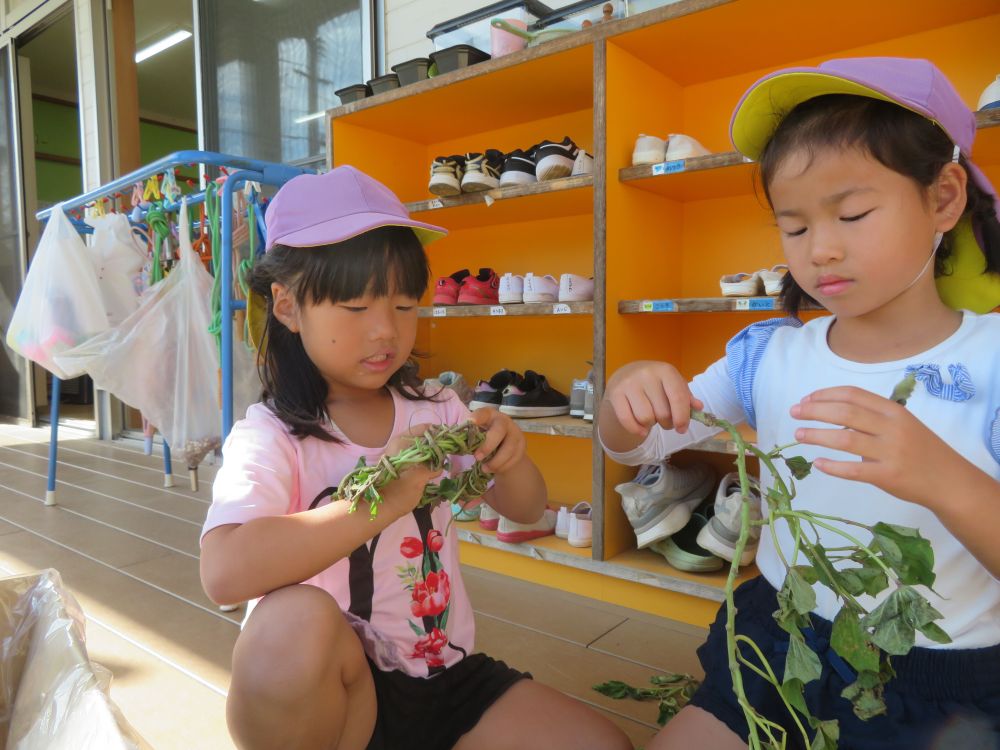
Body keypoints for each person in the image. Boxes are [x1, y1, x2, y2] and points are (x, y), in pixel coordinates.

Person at [599, 57, 1000, 750]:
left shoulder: (989, 360)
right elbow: (640, 447)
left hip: (940, 686)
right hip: (785, 643)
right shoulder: (771, 355)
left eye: (853, 213)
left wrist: (944, 481)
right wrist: (626, 394)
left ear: (943, 199)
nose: (822, 250)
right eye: (794, 226)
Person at [200, 166, 631, 750]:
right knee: (289, 623)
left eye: (404, 306)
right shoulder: (272, 434)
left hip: (442, 677)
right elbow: (224, 573)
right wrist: (383, 499)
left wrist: (510, 459)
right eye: (356, 308)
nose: (385, 331)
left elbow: (526, 509)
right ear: (286, 306)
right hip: (341, 693)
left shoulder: (436, 408)